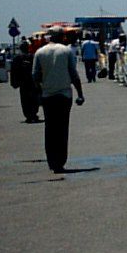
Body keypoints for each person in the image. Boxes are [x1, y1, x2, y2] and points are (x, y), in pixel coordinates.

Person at [32, 28, 84, 173]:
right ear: (62, 37)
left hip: (47, 96)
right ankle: (60, 161)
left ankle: (51, 161)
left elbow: (35, 76)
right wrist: (80, 94)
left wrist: (39, 94)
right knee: (62, 129)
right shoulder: (66, 51)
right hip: (64, 95)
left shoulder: (40, 52)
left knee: (49, 129)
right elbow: (73, 74)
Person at [10, 40, 41, 123]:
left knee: (25, 100)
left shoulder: (17, 58)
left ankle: (29, 115)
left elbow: (13, 71)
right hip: (32, 82)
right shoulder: (33, 57)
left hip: (23, 83)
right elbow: (39, 69)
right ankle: (33, 114)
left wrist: (13, 82)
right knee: (34, 99)